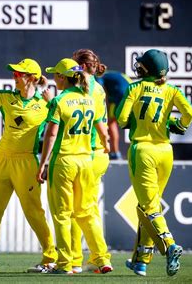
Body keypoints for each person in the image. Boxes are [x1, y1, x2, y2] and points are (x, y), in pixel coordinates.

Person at [0, 53, 57, 274]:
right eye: (14, 73)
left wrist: (52, 102)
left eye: (18, 73)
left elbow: (63, 125)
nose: (14, 76)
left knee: (34, 213)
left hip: (27, 162)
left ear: (31, 78)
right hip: (2, 160)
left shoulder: (45, 105)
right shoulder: (6, 97)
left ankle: (50, 258)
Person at [115, 49, 192, 277]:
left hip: (142, 150)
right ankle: (141, 260)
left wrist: (137, 121)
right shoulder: (171, 90)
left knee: (148, 207)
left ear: (147, 69)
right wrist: (176, 125)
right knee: (150, 206)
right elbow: (189, 112)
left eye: (141, 65)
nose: (138, 67)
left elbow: (121, 119)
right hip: (166, 151)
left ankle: (170, 246)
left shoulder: (135, 88)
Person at [36, 58, 110, 274]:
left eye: (55, 75)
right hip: (87, 161)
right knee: (87, 213)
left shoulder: (60, 100)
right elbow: (103, 130)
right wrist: (106, 147)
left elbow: (51, 134)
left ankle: (65, 263)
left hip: (65, 162)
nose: (53, 78)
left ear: (62, 78)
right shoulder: (88, 98)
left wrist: (43, 164)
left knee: (62, 215)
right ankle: (102, 258)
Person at [69, 49, 113, 274]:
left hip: (88, 152)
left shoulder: (84, 89)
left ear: (82, 66)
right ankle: (96, 257)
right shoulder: (97, 86)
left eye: (75, 65)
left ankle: (80, 259)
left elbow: (95, 122)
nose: (71, 69)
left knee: (78, 211)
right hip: (99, 154)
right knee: (88, 209)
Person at [96, 70, 132, 159]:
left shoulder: (98, 77)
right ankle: (115, 152)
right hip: (131, 93)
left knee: (111, 123)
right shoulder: (114, 74)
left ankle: (115, 152)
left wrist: (106, 106)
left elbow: (101, 89)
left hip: (119, 96)